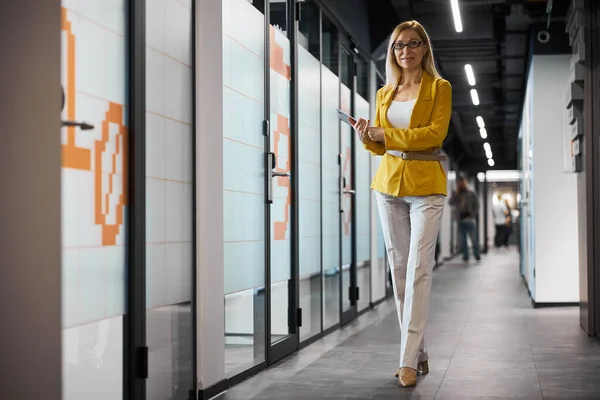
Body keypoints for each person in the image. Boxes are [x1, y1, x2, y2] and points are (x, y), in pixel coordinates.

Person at [350, 20, 451, 388]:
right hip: (387, 187)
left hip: (426, 186)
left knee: (419, 269)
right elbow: (379, 145)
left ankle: (407, 359)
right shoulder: (384, 93)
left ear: (424, 48)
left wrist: (384, 134)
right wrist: (367, 134)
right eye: (398, 46)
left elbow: (433, 135)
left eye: (412, 44)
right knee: (399, 271)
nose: (405, 51)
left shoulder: (439, 88)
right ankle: (420, 353)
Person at [450, 177, 481, 261]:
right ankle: (465, 256)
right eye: (459, 183)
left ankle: (477, 254)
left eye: (462, 182)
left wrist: (473, 215)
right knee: (462, 239)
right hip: (460, 219)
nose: (461, 184)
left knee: (474, 238)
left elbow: (477, 205)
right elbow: (450, 202)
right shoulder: (456, 193)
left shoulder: (471, 193)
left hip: (469, 218)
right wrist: (455, 194)